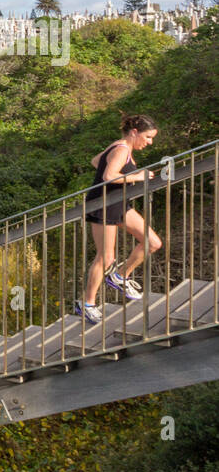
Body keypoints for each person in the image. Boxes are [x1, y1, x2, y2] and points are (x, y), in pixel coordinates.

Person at [77, 114, 161, 324]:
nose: (149, 142)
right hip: (104, 205)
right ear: (134, 132)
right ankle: (86, 304)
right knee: (105, 257)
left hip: (120, 203)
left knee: (152, 242)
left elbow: (96, 161)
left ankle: (120, 276)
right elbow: (108, 176)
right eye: (148, 137)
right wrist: (137, 176)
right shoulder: (122, 149)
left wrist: (127, 178)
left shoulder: (120, 147)